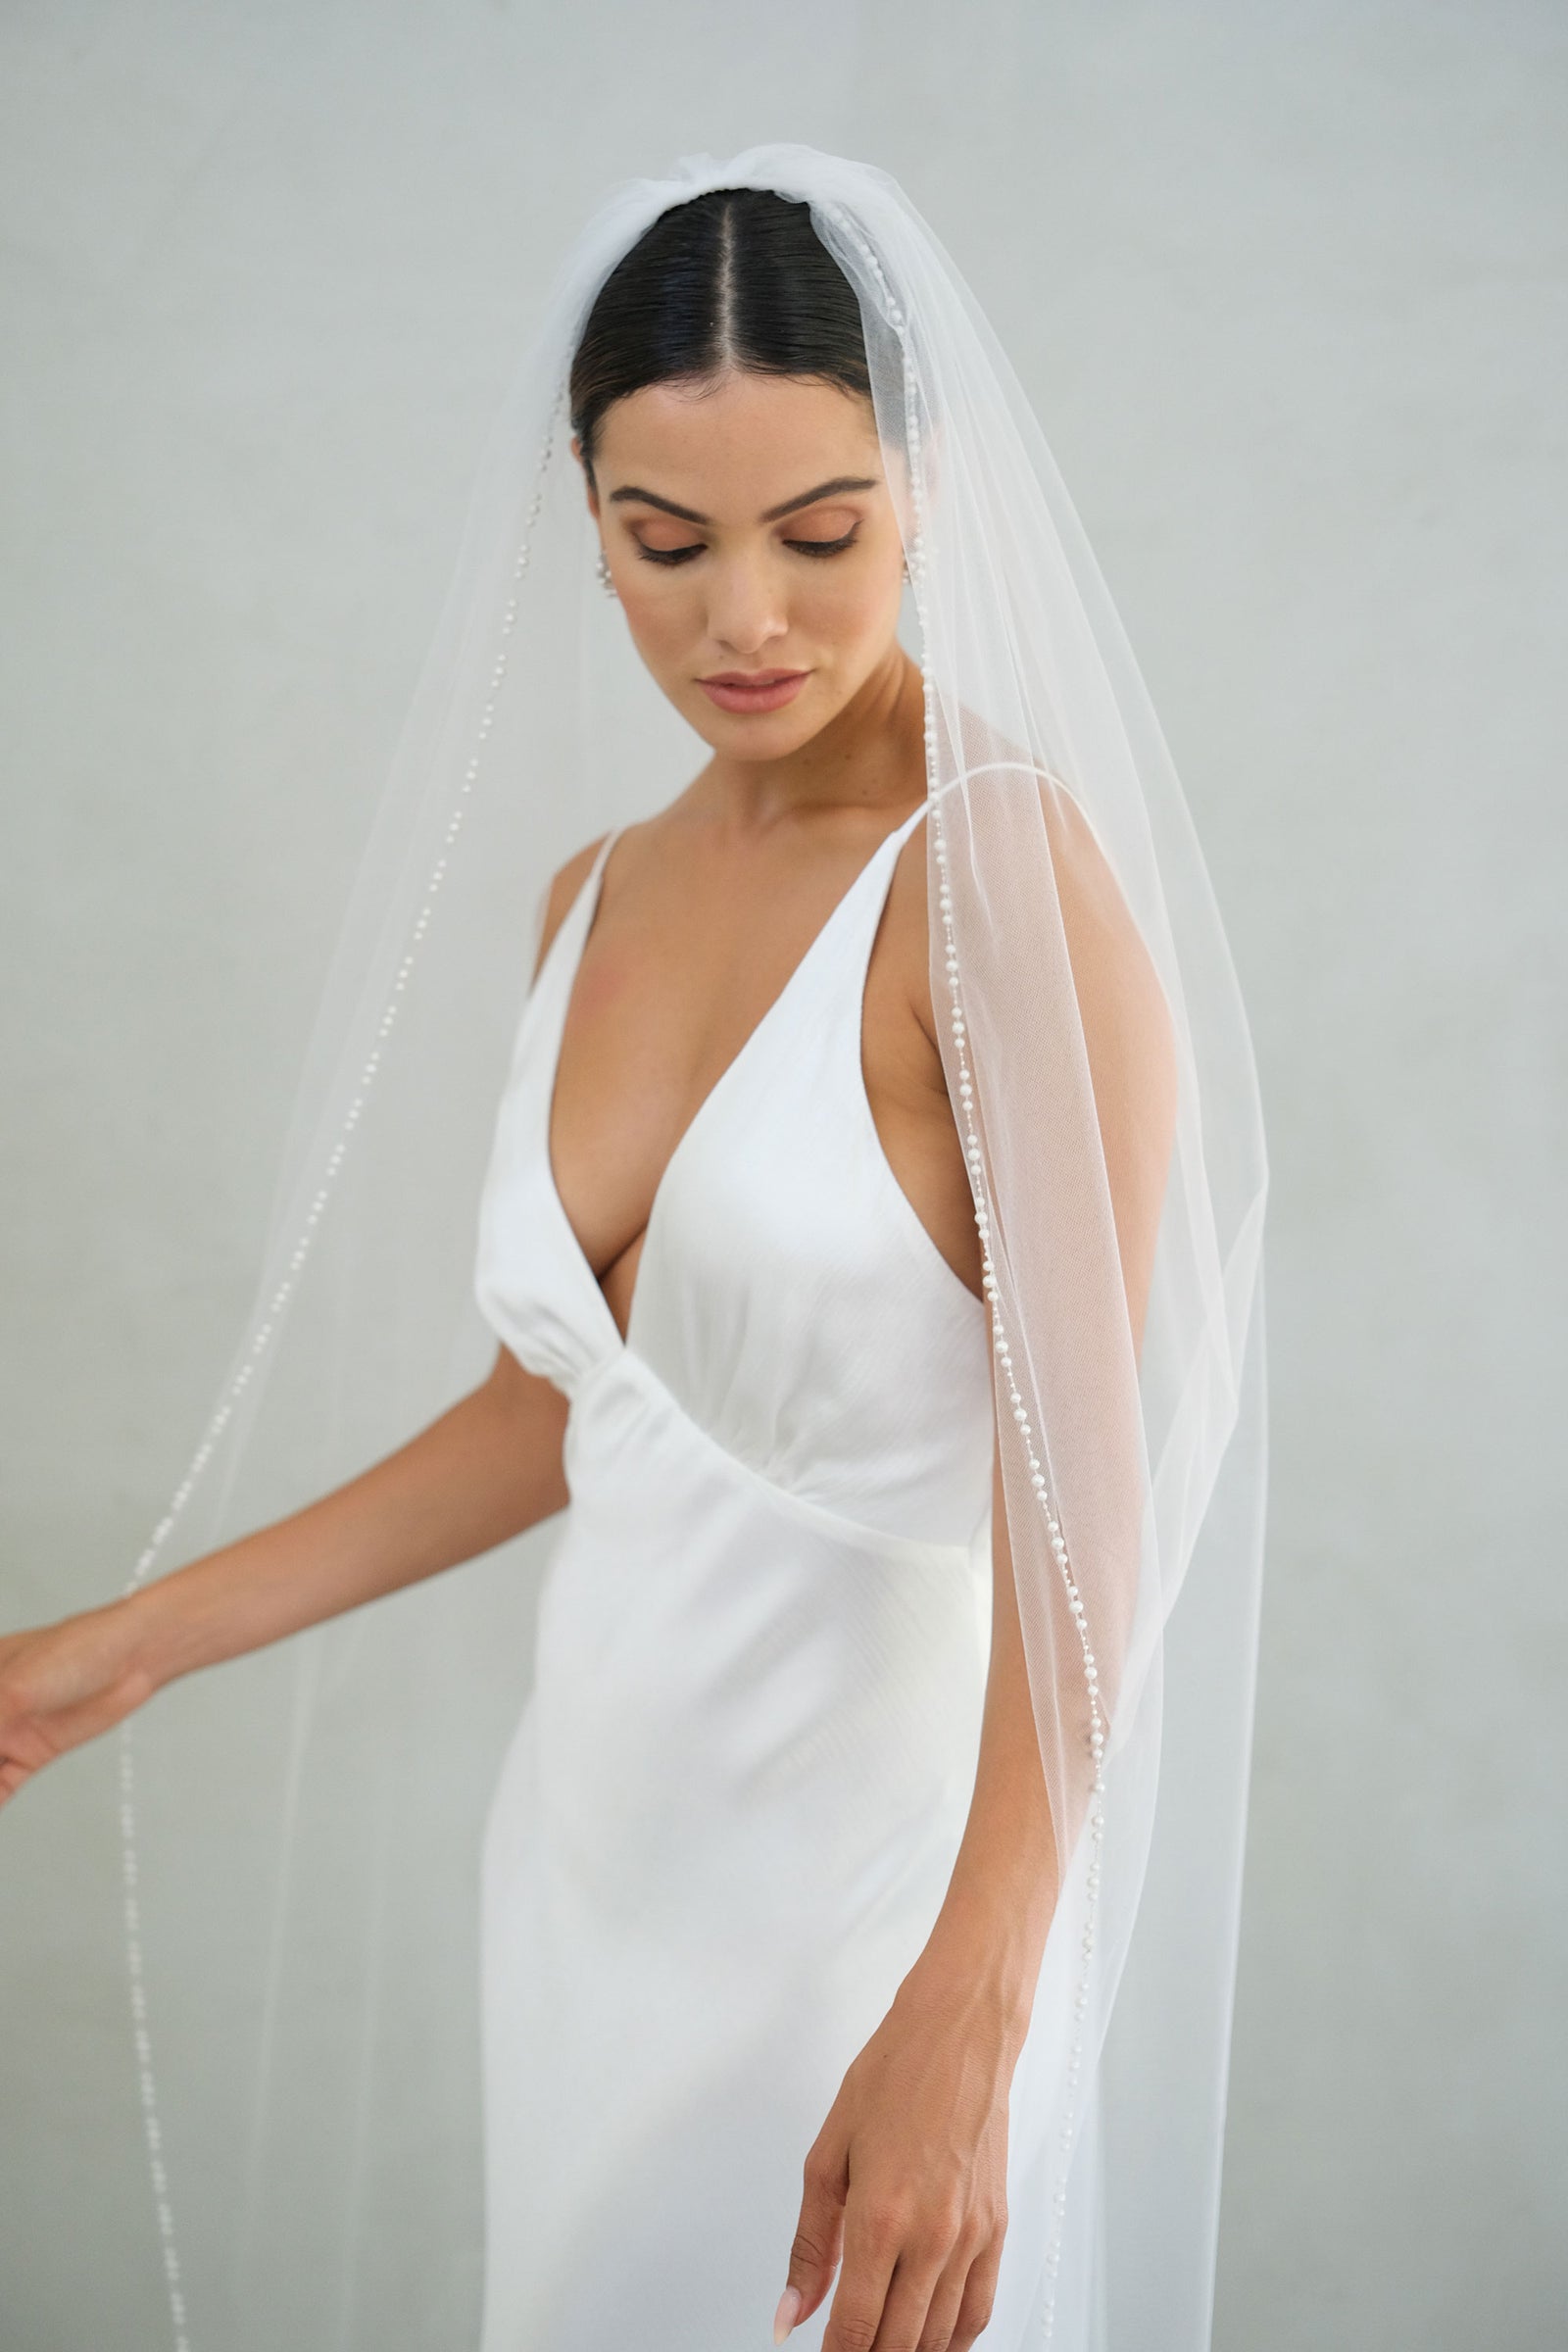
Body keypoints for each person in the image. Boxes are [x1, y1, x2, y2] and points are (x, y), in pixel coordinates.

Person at [0, 149, 1268, 2352]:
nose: (744, 621)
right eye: (662, 544)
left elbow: (1087, 1497)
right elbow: (576, 1413)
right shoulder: (584, 895)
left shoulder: (990, 884)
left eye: (821, 533)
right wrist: (127, 1647)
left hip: (879, 1893)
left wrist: (971, 2001)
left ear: (925, 485)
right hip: (598, 1866)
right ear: (583, 515)